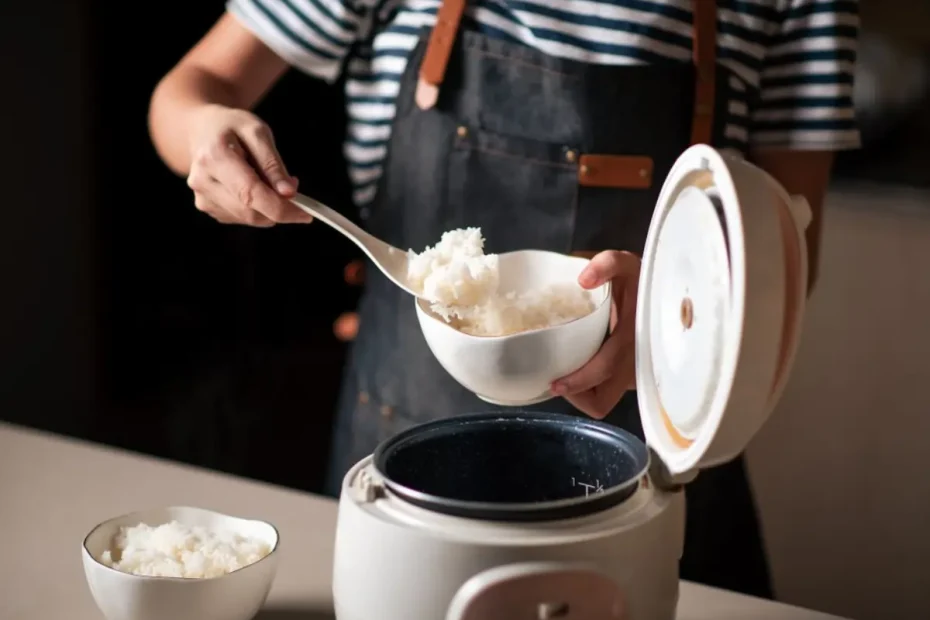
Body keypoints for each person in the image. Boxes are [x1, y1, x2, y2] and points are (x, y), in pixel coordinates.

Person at [148, 0, 860, 600]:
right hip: (405, 474)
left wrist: (678, 296)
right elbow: (189, 89)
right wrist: (204, 133)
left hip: (654, 472)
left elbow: (789, 254)